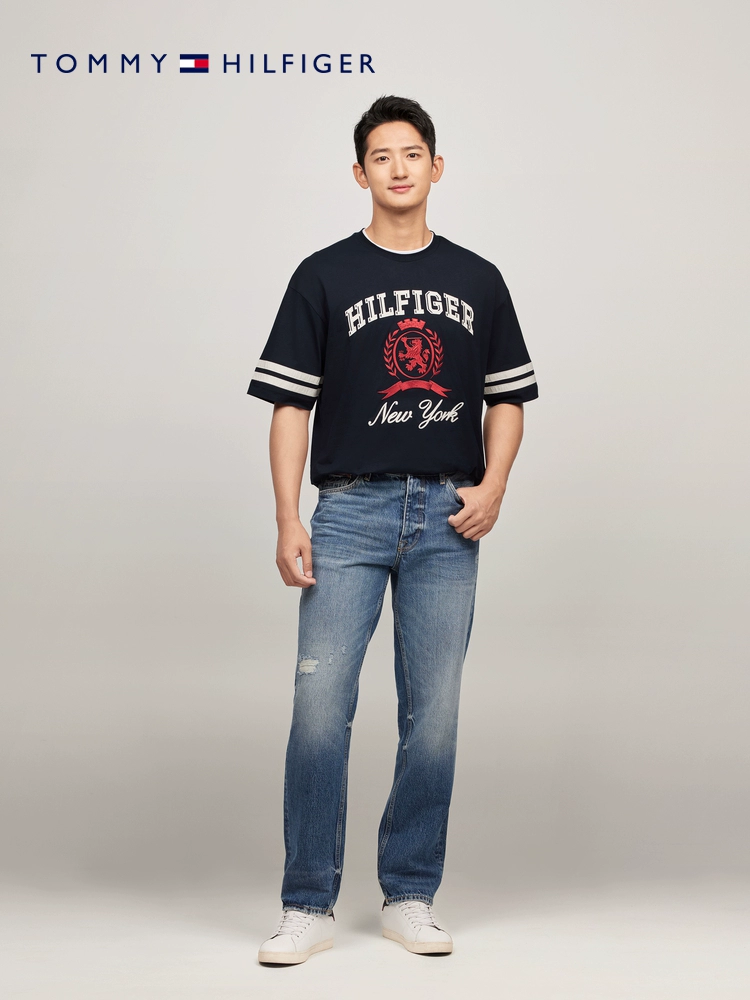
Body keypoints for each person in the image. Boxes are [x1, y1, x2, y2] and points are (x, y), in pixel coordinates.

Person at [247, 95, 538, 964]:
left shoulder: (479, 279)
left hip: (448, 514)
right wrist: (288, 515)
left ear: (436, 167)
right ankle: (307, 903)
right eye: (382, 156)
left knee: (434, 716)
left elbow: (508, 398)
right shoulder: (322, 275)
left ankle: (409, 892)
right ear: (360, 172)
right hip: (349, 512)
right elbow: (290, 405)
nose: (399, 168)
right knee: (319, 708)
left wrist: (494, 485)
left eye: (413, 154)